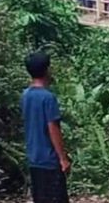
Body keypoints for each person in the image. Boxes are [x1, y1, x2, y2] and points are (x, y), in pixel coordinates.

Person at [21, 52, 70, 203]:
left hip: (34, 158)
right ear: (47, 70)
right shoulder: (48, 98)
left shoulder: (26, 95)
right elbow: (53, 128)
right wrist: (63, 158)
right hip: (49, 160)